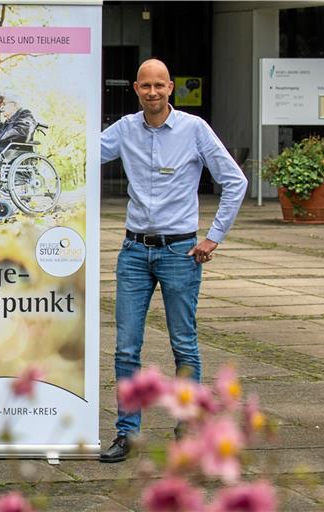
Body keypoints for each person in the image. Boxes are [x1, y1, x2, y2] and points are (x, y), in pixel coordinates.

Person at [99, 59, 248, 463]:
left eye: (159, 86)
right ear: (135, 88)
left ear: (171, 88)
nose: (152, 92)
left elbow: (236, 181)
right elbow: (82, 155)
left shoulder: (194, 130)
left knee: (184, 344)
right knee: (126, 348)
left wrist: (214, 237)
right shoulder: (125, 129)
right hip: (133, 252)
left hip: (180, 253)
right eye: (145, 86)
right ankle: (127, 433)